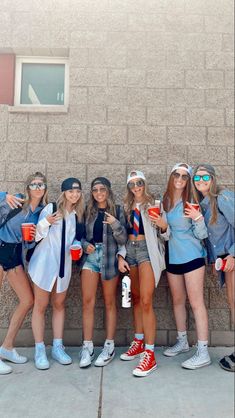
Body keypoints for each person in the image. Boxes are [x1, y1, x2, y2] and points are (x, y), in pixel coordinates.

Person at [28, 177, 85, 370]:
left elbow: (76, 238)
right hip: (45, 264)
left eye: (77, 191)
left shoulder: (78, 214)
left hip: (64, 266)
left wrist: (77, 245)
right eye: (70, 191)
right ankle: (39, 349)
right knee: (40, 305)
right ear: (64, 192)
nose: (74, 195)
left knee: (59, 304)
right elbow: (35, 236)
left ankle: (57, 347)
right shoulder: (51, 208)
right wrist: (45, 222)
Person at [118, 170, 168, 377]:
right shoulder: (126, 207)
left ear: (144, 184)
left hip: (147, 252)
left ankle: (150, 353)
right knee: (136, 298)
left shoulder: (155, 204)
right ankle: (138, 341)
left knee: (147, 300)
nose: (136, 187)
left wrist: (162, 224)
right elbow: (122, 235)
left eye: (139, 183)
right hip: (130, 251)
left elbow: (166, 234)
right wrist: (121, 256)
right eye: (132, 184)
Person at [162, 163, 211, 370]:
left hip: (192, 257)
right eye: (176, 175)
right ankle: (182, 342)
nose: (180, 179)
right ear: (171, 177)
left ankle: (203, 351)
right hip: (173, 258)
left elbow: (202, 235)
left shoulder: (192, 201)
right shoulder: (164, 201)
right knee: (178, 301)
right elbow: (165, 235)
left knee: (196, 302)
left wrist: (198, 218)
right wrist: (163, 228)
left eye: (184, 176)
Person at [0, 172, 48, 375]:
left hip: (16, 254)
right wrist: (3, 194)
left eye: (41, 184)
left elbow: (30, 241)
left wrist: (32, 238)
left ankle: (7, 347)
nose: (37, 187)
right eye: (34, 184)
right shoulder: (15, 200)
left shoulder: (42, 212)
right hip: (1, 247)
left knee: (28, 300)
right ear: (27, 187)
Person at [79, 177, 127, 368]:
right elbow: (79, 236)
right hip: (90, 258)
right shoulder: (87, 211)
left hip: (109, 257)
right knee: (87, 302)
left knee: (109, 302)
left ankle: (109, 345)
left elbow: (124, 237)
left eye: (102, 189)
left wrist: (115, 223)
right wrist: (84, 245)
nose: (99, 193)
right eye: (95, 189)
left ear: (108, 191)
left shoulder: (118, 210)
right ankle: (87, 346)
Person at [192, 163, 235, 372]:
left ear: (213, 178)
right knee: (232, 303)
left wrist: (233, 255)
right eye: (197, 179)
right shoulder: (204, 204)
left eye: (205, 177)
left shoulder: (223, 197)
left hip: (232, 259)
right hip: (224, 262)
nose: (201, 182)